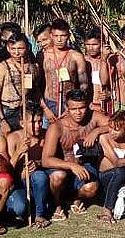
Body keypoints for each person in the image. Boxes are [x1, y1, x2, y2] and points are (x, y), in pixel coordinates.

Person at [41, 89, 108, 219]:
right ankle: (57, 204)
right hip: (63, 168)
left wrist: (97, 131)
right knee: (57, 176)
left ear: (87, 105)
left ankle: (75, 198)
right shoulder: (57, 127)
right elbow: (46, 160)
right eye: (73, 109)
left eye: (81, 108)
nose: (78, 112)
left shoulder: (93, 117)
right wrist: (71, 166)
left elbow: (114, 125)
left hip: (84, 165)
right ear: (67, 107)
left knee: (91, 188)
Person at [4, 101, 51, 229]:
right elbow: (6, 170)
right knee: (20, 208)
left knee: (39, 176)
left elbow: (53, 159)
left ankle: (40, 215)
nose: (38, 126)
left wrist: (38, 163)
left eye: (40, 121)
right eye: (33, 122)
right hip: (18, 183)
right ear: (22, 123)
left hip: (38, 181)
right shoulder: (13, 138)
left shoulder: (46, 135)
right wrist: (18, 152)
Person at [40, 19, 89, 123]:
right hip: (49, 102)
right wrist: (45, 108)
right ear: (51, 35)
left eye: (63, 36)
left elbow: (84, 84)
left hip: (70, 103)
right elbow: (37, 84)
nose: (59, 39)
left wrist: (73, 106)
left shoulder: (76, 57)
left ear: (68, 35)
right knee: (47, 135)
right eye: (56, 36)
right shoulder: (42, 55)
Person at [0, 33, 38, 132]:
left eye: (20, 48)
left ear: (27, 47)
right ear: (8, 49)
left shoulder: (32, 67)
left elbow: (35, 91)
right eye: (13, 49)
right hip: (6, 111)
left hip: (25, 111)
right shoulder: (1, 68)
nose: (16, 53)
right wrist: (2, 120)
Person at [83, 28, 112, 113]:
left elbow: (117, 85)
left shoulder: (110, 61)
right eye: (88, 44)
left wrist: (110, 94)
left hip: (106, 104)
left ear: (102, 44)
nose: (91, 48)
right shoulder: (83, 61)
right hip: (88, 105)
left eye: (94, 44)